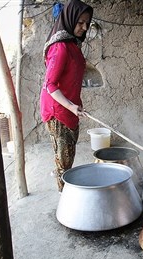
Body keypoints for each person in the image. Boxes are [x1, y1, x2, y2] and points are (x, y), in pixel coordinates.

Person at [40, 0, 93, 192]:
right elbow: (50, 85)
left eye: (87, 23)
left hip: (70, 107)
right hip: (58, 111)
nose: (84, 27)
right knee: (63, 162)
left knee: (68, 155)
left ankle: (67, 194)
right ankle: (65, 200)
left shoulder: (73, 45)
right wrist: (71, 106)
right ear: (70, 20)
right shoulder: (60, 47)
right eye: (80, 22)